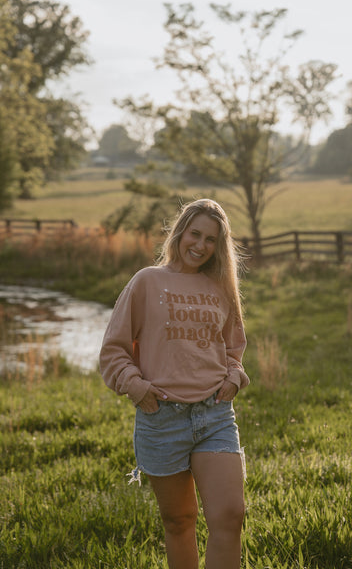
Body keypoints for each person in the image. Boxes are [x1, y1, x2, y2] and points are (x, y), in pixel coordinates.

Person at [99, 198, 250, 569]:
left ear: (220, 245)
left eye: (211, 239)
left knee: (230, 516)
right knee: (179, 521)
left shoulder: (220, 287)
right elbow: (113, 351)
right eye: (194, 234)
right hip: (161, 418)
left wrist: (233, 376)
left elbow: (233, 346)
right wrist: (136, 387)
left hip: (214, 415)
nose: (200, 245)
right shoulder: (147, 282)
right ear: (180, 232)